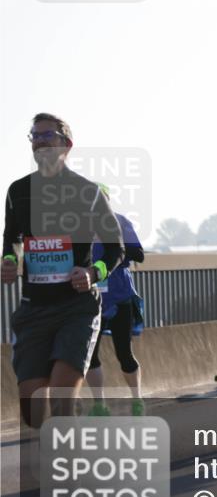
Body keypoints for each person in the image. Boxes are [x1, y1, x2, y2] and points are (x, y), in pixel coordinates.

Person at [2, 113, 124, 427]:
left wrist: (93, 273)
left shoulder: (87, 191)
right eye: (35, 136)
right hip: (34, 309)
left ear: (66, 144)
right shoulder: (18, 191)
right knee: (31, 413)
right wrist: (11, 260)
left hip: (76, 308)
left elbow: (116, 248)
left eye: (48, 136)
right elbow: (12, 238)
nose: (40, 141)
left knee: (59, 395)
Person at [86, 205, 145, 416]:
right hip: (91, 300)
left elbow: (139, 254)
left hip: (120, 297)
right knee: (90, 354)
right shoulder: (77, 225)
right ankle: (99, 405)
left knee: (124, 353)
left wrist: (115, 246)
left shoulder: (120, 222)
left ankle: (137, 399)